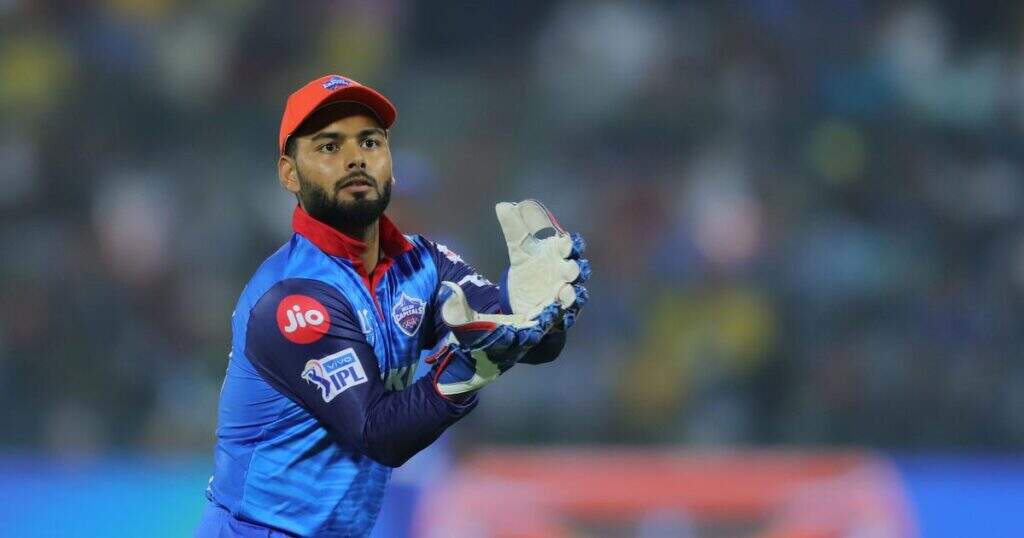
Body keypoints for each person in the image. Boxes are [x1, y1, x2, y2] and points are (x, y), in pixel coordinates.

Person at [194, 74, 590, 537]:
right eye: (329, 146)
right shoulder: (292, 298)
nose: (355, 158)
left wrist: (543, 311)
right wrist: (473, 366)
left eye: (370, 142)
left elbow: (524, 340)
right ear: (289, 174)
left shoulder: (423, 264)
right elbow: (378, 433)